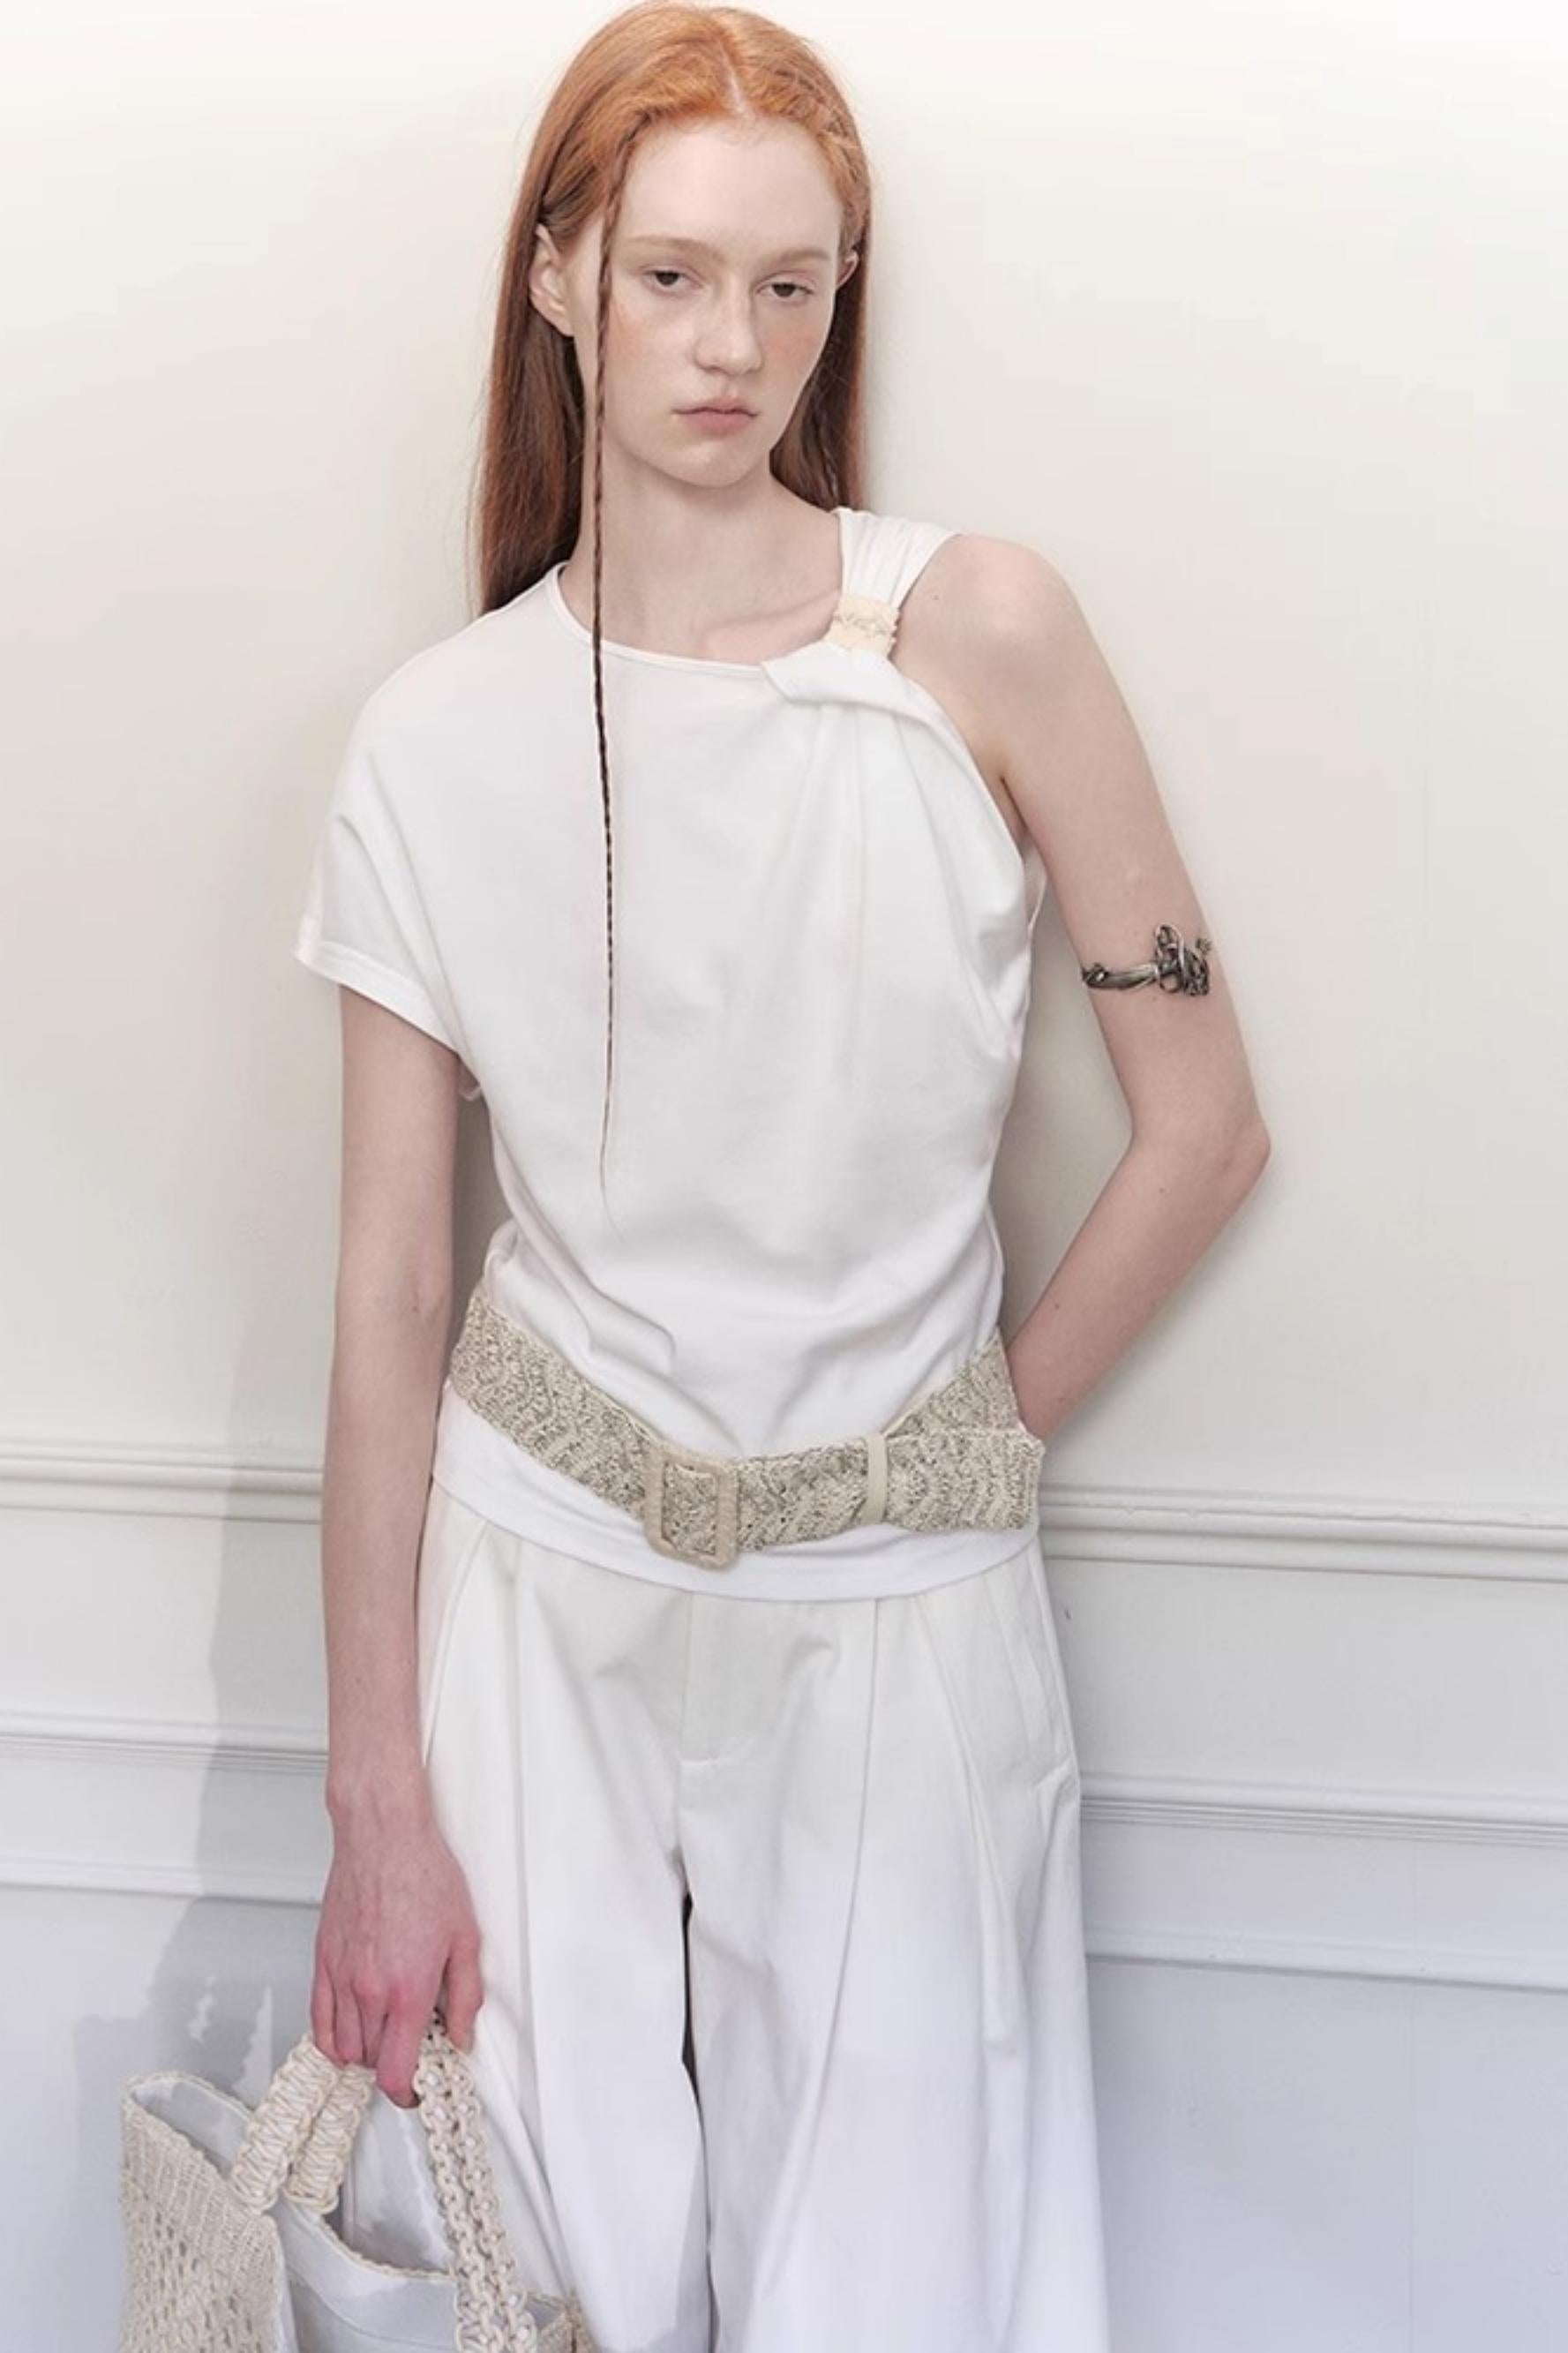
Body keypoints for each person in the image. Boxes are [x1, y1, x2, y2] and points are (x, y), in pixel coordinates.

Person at [292, 5, 1272, 2348]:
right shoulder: (432, 738)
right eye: (669, 276)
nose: (731, 345)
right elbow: (394, 1284)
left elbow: (1207, 1123)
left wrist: (978, 1435)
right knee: (535, 2277)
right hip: (531, 1586)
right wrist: (375, 1808)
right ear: (556, 277)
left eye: (789, 286)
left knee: (906, 2286)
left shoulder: (979, 633)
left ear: (843, 299)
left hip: (900, 1596)